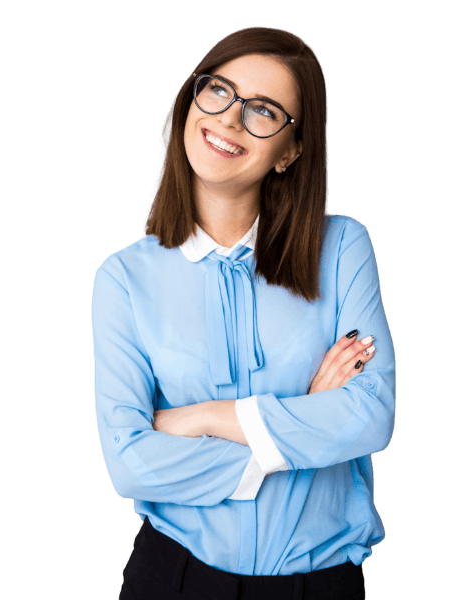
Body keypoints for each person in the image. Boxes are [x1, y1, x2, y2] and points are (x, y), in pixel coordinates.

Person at [92, 26, 395, 600]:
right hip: (174, 580)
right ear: (191, 101)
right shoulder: (123, 280)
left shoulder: (343, 249)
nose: (229, 119)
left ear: (291, 149)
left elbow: (371, 416)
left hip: (319, 586)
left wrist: (199, 419)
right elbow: (130, 464)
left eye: (263, 110)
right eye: (218, 90)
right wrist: (306, 418)